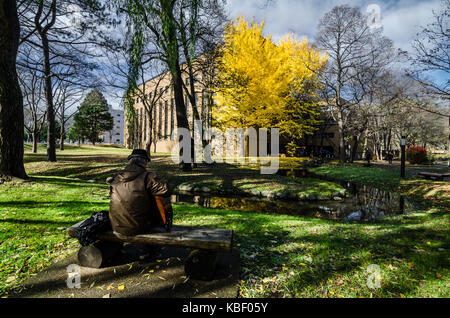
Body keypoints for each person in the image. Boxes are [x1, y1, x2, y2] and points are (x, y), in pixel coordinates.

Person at [109, 149, 170, 236]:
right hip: (138, 228)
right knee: (158, 198)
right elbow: (166, 190)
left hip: (116, 226)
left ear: (130, 161)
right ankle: (153, 248)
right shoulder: (147, 176)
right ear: (145, 162)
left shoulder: (117, 177)